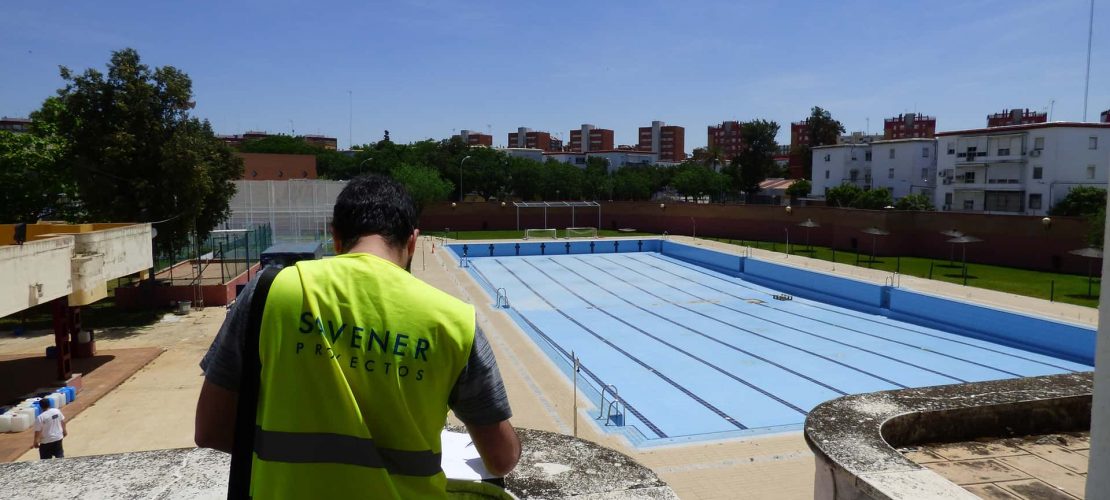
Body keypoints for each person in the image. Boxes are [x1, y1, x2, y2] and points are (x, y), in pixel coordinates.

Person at [195, 174, 520, 498]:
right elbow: (501, 458)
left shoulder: (268, 292)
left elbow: (211, 430)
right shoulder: (454, 321)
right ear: (412, 241)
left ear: (335, 237)